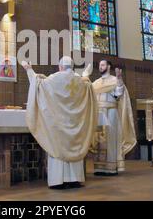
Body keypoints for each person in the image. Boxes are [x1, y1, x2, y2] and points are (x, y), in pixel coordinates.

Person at [22, 56, 98, 189]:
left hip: (59, 125)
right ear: (72, 67)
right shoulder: (79, 81)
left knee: (57, 145)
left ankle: (58, 181)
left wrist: (29, 69)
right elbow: (88, 86)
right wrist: (86, 75)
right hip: (75, 123)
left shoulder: (54, 79)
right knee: (73, 144)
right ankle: (75, 179)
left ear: (60, 67)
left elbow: (37, 84)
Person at [88, 60, 136, 175]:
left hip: (111, 112)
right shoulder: (95, 83)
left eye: (103, 65)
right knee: (99, 140)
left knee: (111, 139)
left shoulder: (115, 80)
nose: (100, 67)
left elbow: (118, 94)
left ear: (108, 67)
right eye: (99, 65)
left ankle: (111, 167)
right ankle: (99, 167)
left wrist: (120, 80)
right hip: (98, 113)